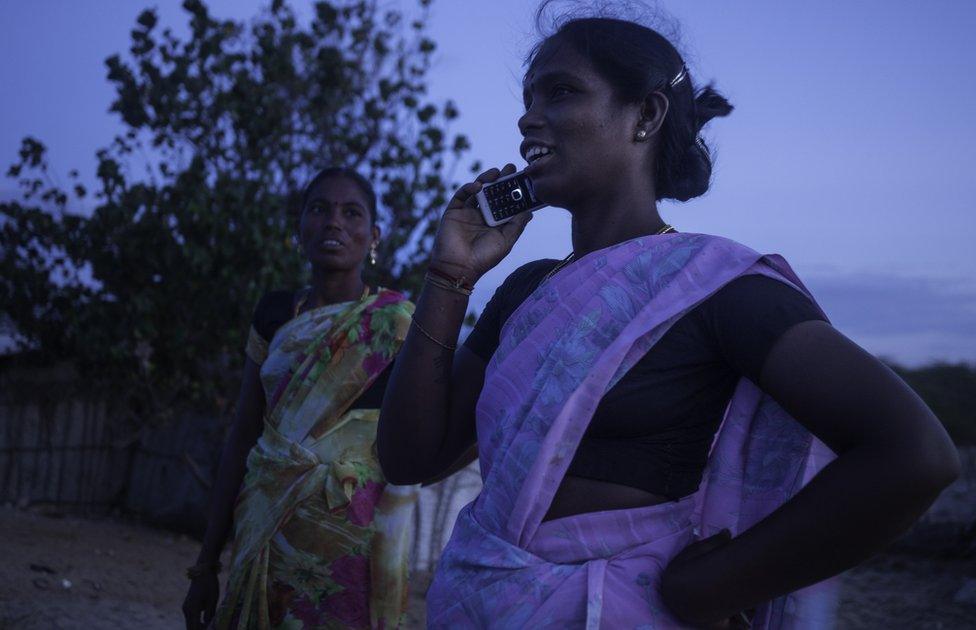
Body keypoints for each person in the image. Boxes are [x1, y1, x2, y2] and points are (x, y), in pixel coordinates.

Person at [376, 10, 960, 629]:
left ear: (646, 117)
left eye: (561, 91)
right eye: (528, 98)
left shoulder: (714, 286)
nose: (527, 117)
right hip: (479, 602)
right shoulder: (529, 289)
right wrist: (449, 277)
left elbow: (914, 454)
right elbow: (412, 459)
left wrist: (708, 589)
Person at [182, 168, 418, 630]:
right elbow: (244, 434)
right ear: (299, 229)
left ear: (374, 236)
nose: (334, 222)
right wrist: (205, 565)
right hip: (265, 527)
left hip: (352, 538)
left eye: (351, 213)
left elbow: (422, 438)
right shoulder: (273, 313)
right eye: (319, 209)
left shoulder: (398, 324)